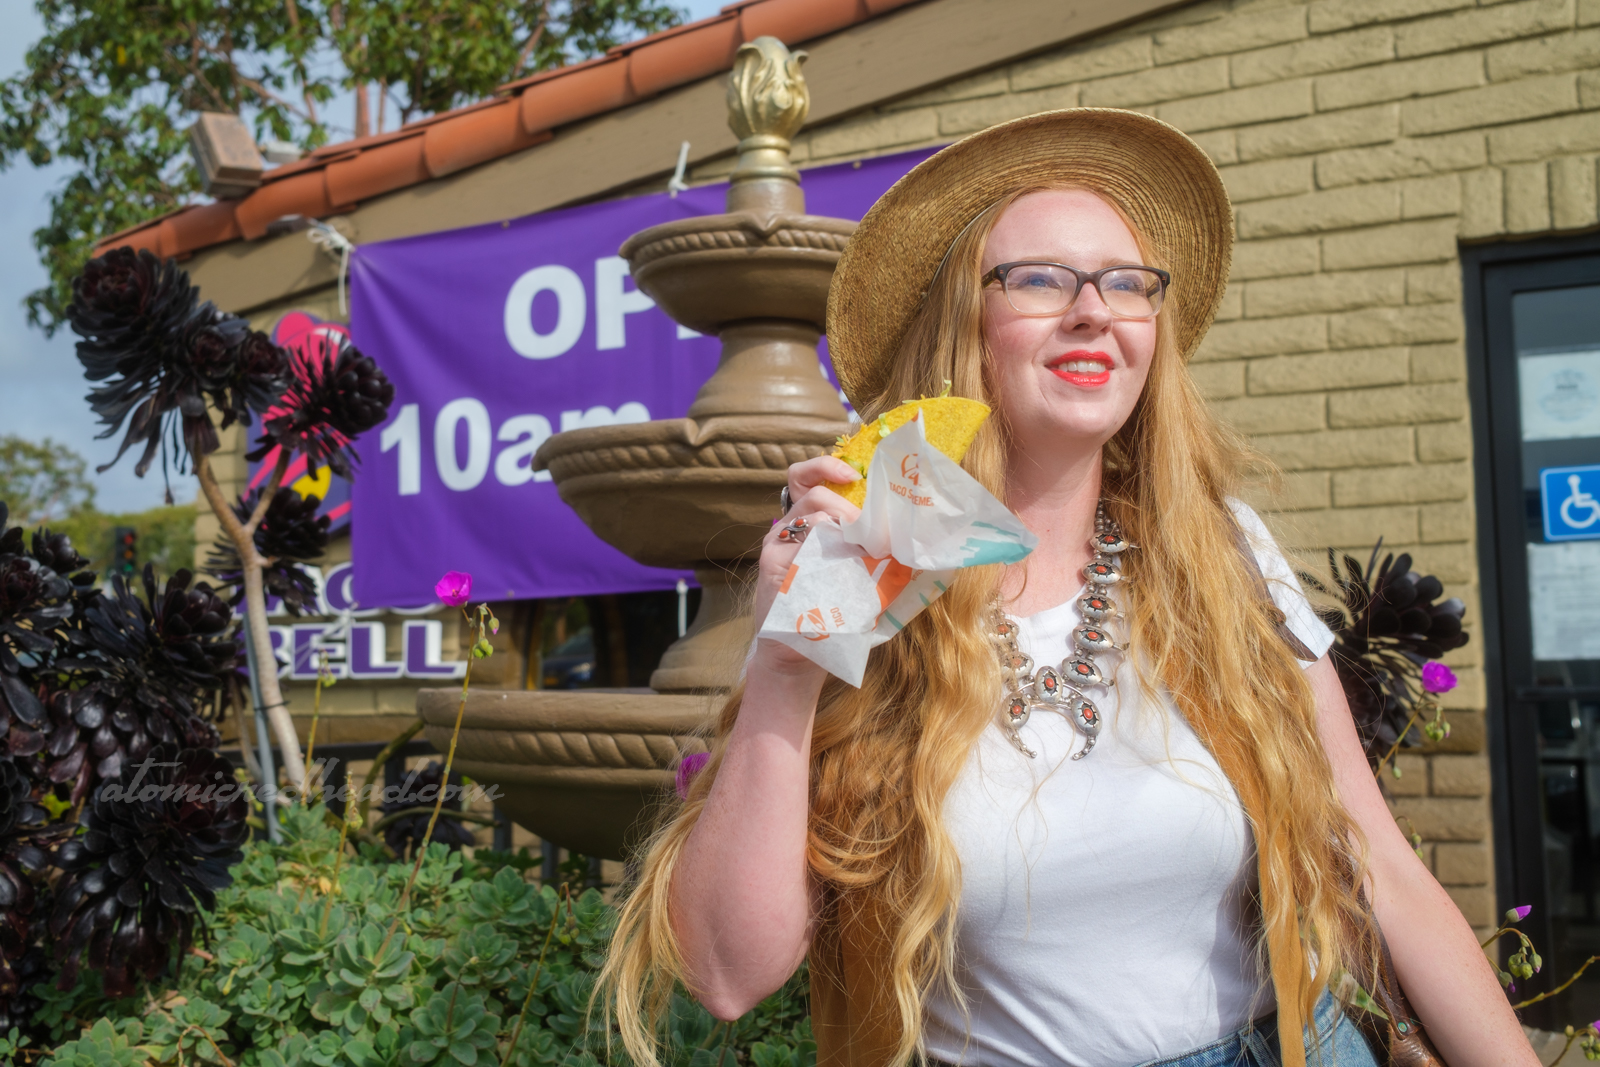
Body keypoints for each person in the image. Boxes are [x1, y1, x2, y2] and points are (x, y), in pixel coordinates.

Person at [600, 109, 1535, 1067]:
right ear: (963, 324)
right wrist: (789, 661)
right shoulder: (860, 580)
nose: (1093, 308)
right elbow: (724, 972)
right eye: (1040, 278)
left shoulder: (1222, 554)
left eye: (1125, 282)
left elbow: (1378, 865)